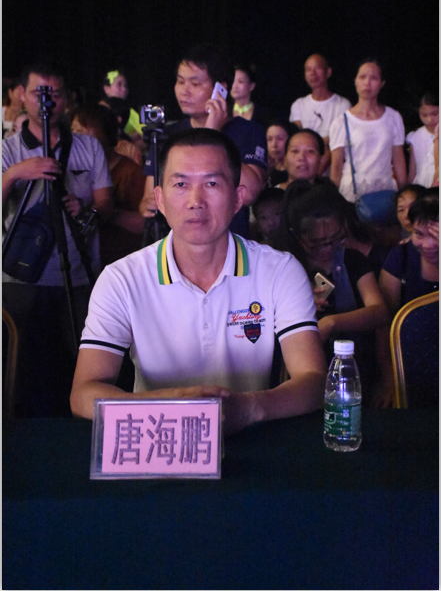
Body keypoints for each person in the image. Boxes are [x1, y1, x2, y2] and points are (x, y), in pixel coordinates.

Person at [70, 128, 327, 433]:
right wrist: (170, 405)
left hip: (252, 440)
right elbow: (83, 393)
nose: (196, 200)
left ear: (238, 198)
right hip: (156, 441)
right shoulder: (122, 279)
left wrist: (247, 408)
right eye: (181, 184)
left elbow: (314, 381)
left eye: (212, 183)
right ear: (159, 200)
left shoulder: (279, 270)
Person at [2, 63, 113, 417]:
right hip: (21, 276)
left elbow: (106, 204)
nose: (47, 102)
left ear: (67, 99)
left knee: (78, 364)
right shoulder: (7, 149)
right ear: (21, 95)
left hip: (78, 273)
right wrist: (16, 173)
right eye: (39, 93)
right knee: (21, 368)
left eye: (56, 94)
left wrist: (85, 208)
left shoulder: (88, 147)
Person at [273, 180, 391, 406]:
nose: (328, 248)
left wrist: (331, 323)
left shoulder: (352, 260)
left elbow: (379, 312)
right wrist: (297, 304)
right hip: (302, 376)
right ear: (295, 234)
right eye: (317, 243)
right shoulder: (284, 268)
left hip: (358, 369)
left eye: (336, 238)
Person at [139, 44, 268, 238]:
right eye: (180, 81)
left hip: (229, 243)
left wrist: (212, 133)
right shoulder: (166, 135)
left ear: (220, 89)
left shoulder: (249, 131)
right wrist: (147, 205)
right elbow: (148, 198)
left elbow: (249, 194)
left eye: (195, 84)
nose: (184, 91)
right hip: (176, 245)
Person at [71, 103, 145, 266]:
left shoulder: (129, 171)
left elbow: (144, 224)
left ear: (105, 133)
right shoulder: (76, 169)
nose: (75, 138)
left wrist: (104, 211)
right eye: (72, 131)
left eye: (80, 131)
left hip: (120, 260)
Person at [330, 59, 407, 205]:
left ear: (382, 83)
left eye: (374, 78)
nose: (367, 82)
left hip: (384, 191)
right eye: (362, 77)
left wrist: (404, 192)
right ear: (355, 81)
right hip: (353, 193)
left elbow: (398, 158)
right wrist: (333, 200)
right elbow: (336, 166)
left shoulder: (393, 117)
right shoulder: (342, 121)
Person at [379, 191, 439, 318]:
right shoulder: (400, 257)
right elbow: (387, 317)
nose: (428, 245)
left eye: (436, 235)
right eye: (419, 234)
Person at [289, 54, 351, 175]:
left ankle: (315, 178)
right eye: (308, 69)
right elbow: (297, 137)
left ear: (328, 72)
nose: (313, 73)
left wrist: (314, 145)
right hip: (305, 159)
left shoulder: (342, 104)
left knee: (332, 148)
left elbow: (337, 139)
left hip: (331, 164)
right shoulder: (299, 104)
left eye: (317, 68)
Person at [102, 69, 143, 146]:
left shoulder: (130, 111)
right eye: (119, 85)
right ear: (106, 89)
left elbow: (146, 137)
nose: (124, 89)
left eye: (125, 86)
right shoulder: (97, 112)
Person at [407, 91, 439, 187]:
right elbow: (413, 171)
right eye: (424, 115)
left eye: (435, 114)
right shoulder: (416, 137)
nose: (429, 119)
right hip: (421, 185)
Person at [265, 119, 298, 187]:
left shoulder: (296, 172)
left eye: (280, 138)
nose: (274, 145)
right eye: (269, 139)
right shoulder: (265, 168)